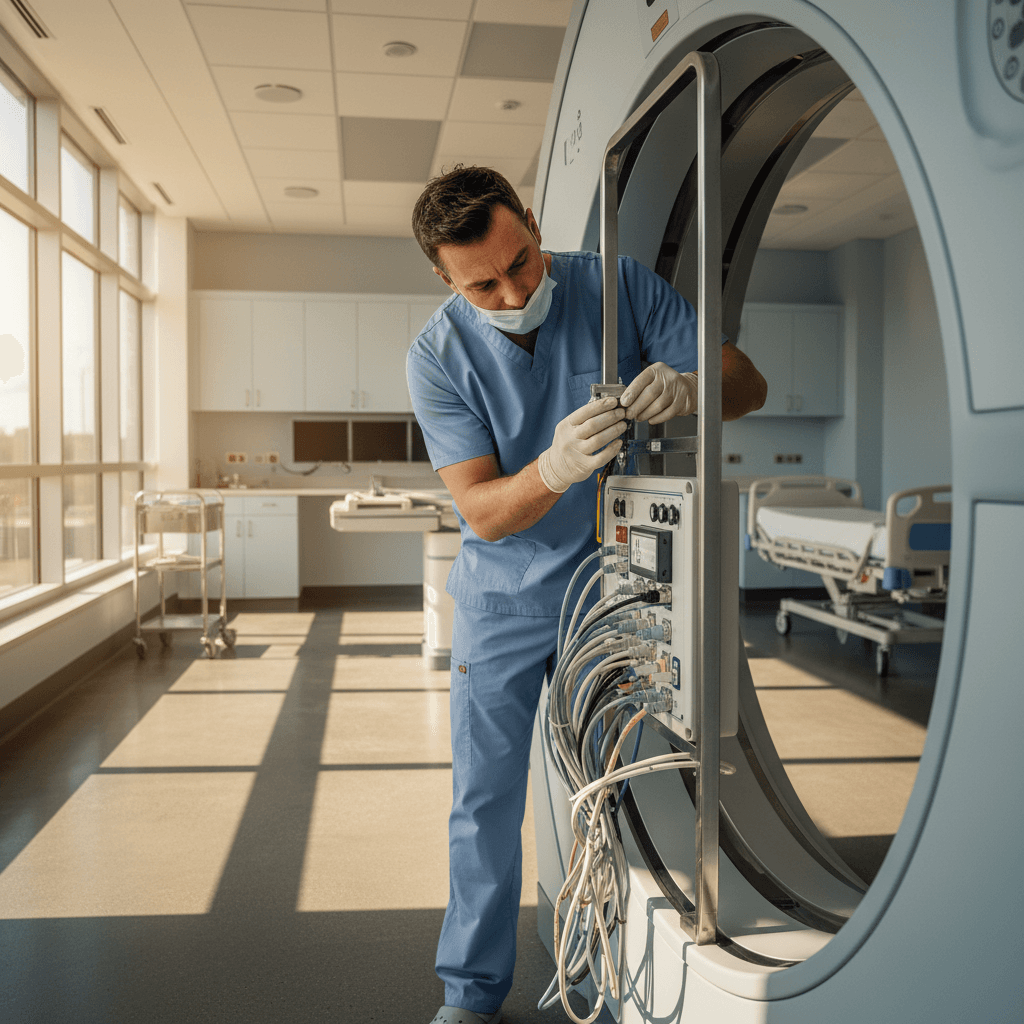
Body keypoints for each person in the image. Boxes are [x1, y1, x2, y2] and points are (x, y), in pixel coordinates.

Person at [407, 165, 766, 1024]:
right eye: (483, 284)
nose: (512, 290)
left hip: (611, 594)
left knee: (615, 791)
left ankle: (609, 961)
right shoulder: (437, 356)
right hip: (503, 602)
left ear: (532, 224)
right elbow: (486, 512)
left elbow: (745, 383)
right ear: (446, 281)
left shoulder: (617, 287)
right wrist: (554, 468)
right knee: (484, 804)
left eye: (522, 262)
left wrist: (690, 388)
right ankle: (471, 993)